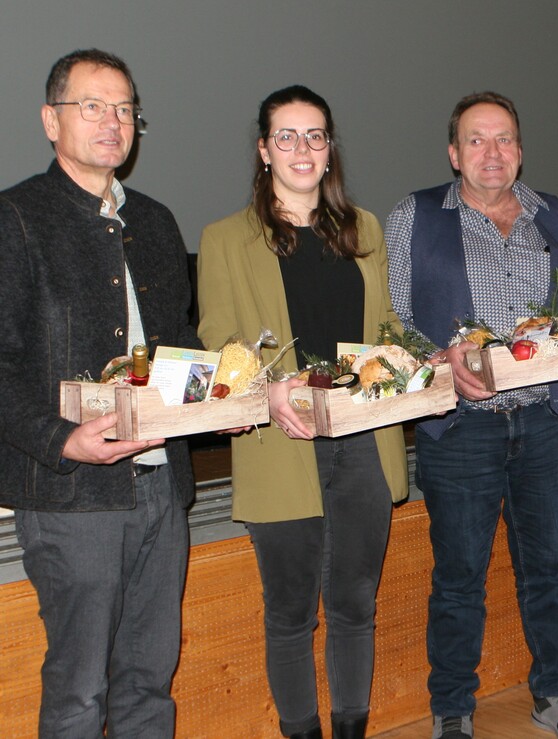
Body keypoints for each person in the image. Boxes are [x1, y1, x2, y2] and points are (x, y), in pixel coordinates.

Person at [385, 91, 558, 739]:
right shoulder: (417, 215)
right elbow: (394, 320)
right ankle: (452, 707)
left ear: (520, 148)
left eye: (505, 138)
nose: (493, 152)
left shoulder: (552, 215)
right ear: (454, 152)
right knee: (459, 574)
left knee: (546, 566)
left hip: (541, 420)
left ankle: (555, 694)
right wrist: (439, 361)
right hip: (459, 427)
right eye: (477, 140)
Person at [198, 85, 409, 739]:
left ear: (329, 148)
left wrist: (408, 359)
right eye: (286, 136)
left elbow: (389, 325)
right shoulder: (226, 237)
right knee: (291, 613)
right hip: (281, 442)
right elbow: (222, 340)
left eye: (314, 135)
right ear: (264, 150)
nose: (301, 148)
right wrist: (270, 390)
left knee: (354, 606)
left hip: (363, 439)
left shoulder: (364, 228)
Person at [0, 49, 197, 736]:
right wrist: (63, 440)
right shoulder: (15, 219)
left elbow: (179, 346)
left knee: (149, 680)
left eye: (125, 109)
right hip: (70, 495)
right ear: (51, 121)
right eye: (93, 105)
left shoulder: (157, 221)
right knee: (80, 690)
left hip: (159, 487)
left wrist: (222, 394)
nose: (113, 122)